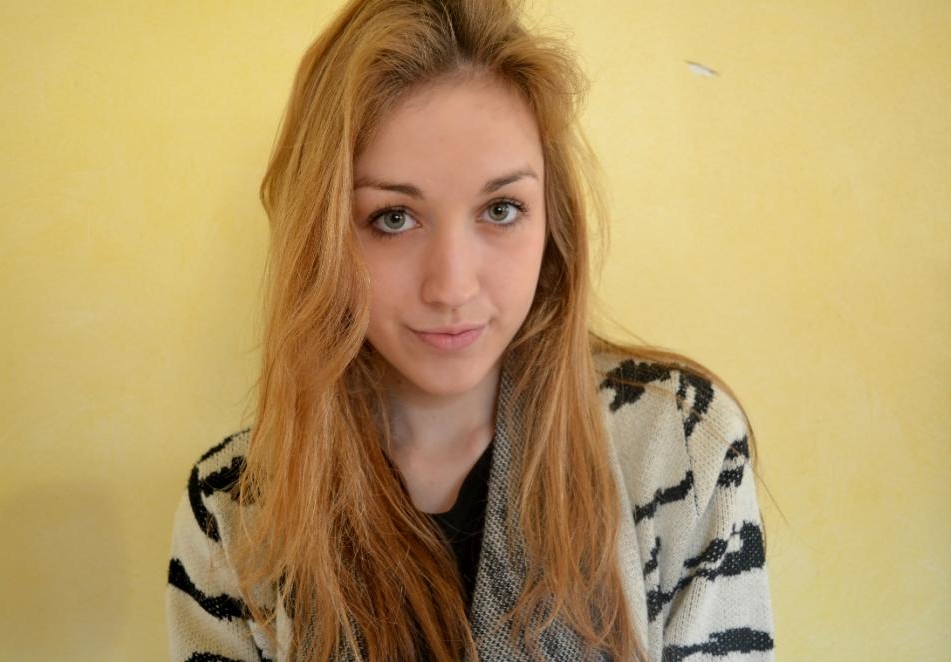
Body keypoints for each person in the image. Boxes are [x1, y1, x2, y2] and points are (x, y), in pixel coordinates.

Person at [165, 0, 774, 660]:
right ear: (323, 235)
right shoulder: (233, 511)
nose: (452, 288)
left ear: (552, 219)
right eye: (393, 218)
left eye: (501, 209)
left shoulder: (677, 443)